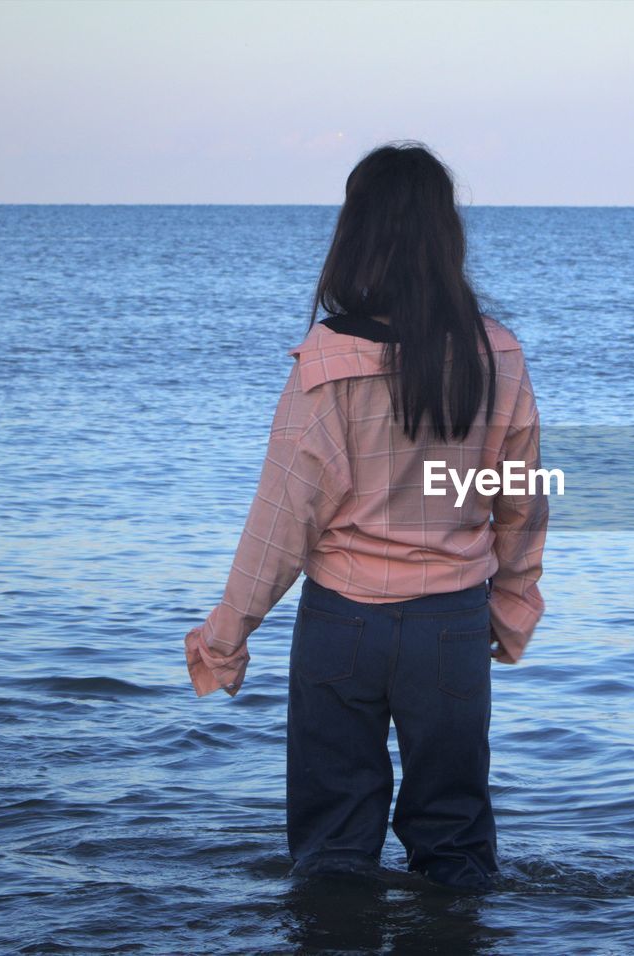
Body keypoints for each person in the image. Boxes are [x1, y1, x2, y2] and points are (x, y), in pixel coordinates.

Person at [182, 142, 548, 892]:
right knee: (456, 849)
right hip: (450, 626)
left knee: (332, 852)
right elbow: (522, 504)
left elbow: (283, 517)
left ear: (357, 236)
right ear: (447, 237)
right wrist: (511, 608)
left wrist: (225, 637)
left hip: (342, 627)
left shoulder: (328, 360)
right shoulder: (498, 356)